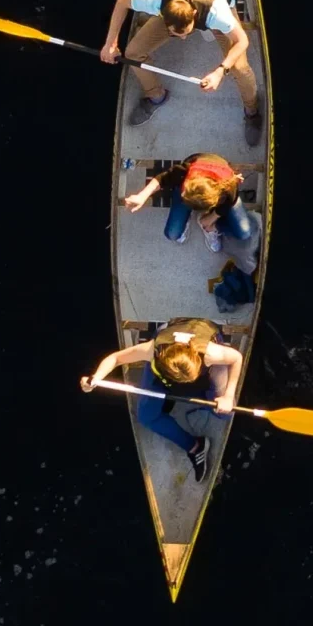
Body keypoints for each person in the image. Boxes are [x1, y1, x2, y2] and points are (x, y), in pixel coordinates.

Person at [99, 0, 261, 142]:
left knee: (239, 67)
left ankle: (251, 110)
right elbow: (122, 1)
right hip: (178, 2)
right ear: (161, 14)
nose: (183, 38)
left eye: (186, 32)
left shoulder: (217, 13)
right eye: (177, 34)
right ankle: (156, 96)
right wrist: (111, 44)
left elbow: (242, 40)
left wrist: (220, 71)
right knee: (132, 53)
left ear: (194, 15)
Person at [82, 319, 239, 482]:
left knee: (225, 413)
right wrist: (95, 379)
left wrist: (228, 395)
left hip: (203, 335)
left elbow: (236, 358)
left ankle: (198, 397)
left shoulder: (211, 353)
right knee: (146, 416)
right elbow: (116, 358)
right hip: (166, 349)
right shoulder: (152, 350)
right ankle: (195, 447)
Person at [120, 153, 259, 311]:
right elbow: (161, 178)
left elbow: (229, 203)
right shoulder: (184, 173)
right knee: (172, 234)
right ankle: (201, 221)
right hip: (194, 181)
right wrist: (142, 195)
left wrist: (211, 219)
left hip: (218, 187)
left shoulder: (229, 184)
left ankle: (208, 225)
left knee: (245, 233)